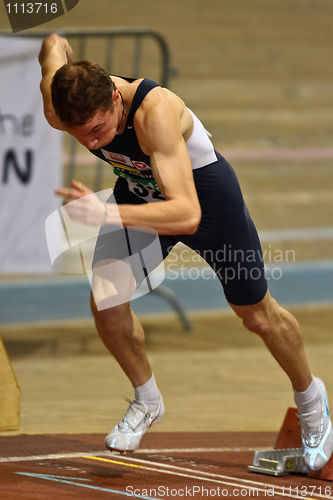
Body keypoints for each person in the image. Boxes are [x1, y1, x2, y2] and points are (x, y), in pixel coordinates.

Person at [39, 33, 332, 470]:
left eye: (98, 131)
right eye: (81, 137)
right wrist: (56, 44)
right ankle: (147, 399)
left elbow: (186, 214)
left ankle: (312, 403)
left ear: (116, 101)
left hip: (204, 201)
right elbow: (51, 49)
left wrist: (107, 217)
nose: (94, 145)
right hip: (140, 193)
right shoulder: (60, 104)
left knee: (256, 314)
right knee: (107, 299)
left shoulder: (154, 113)